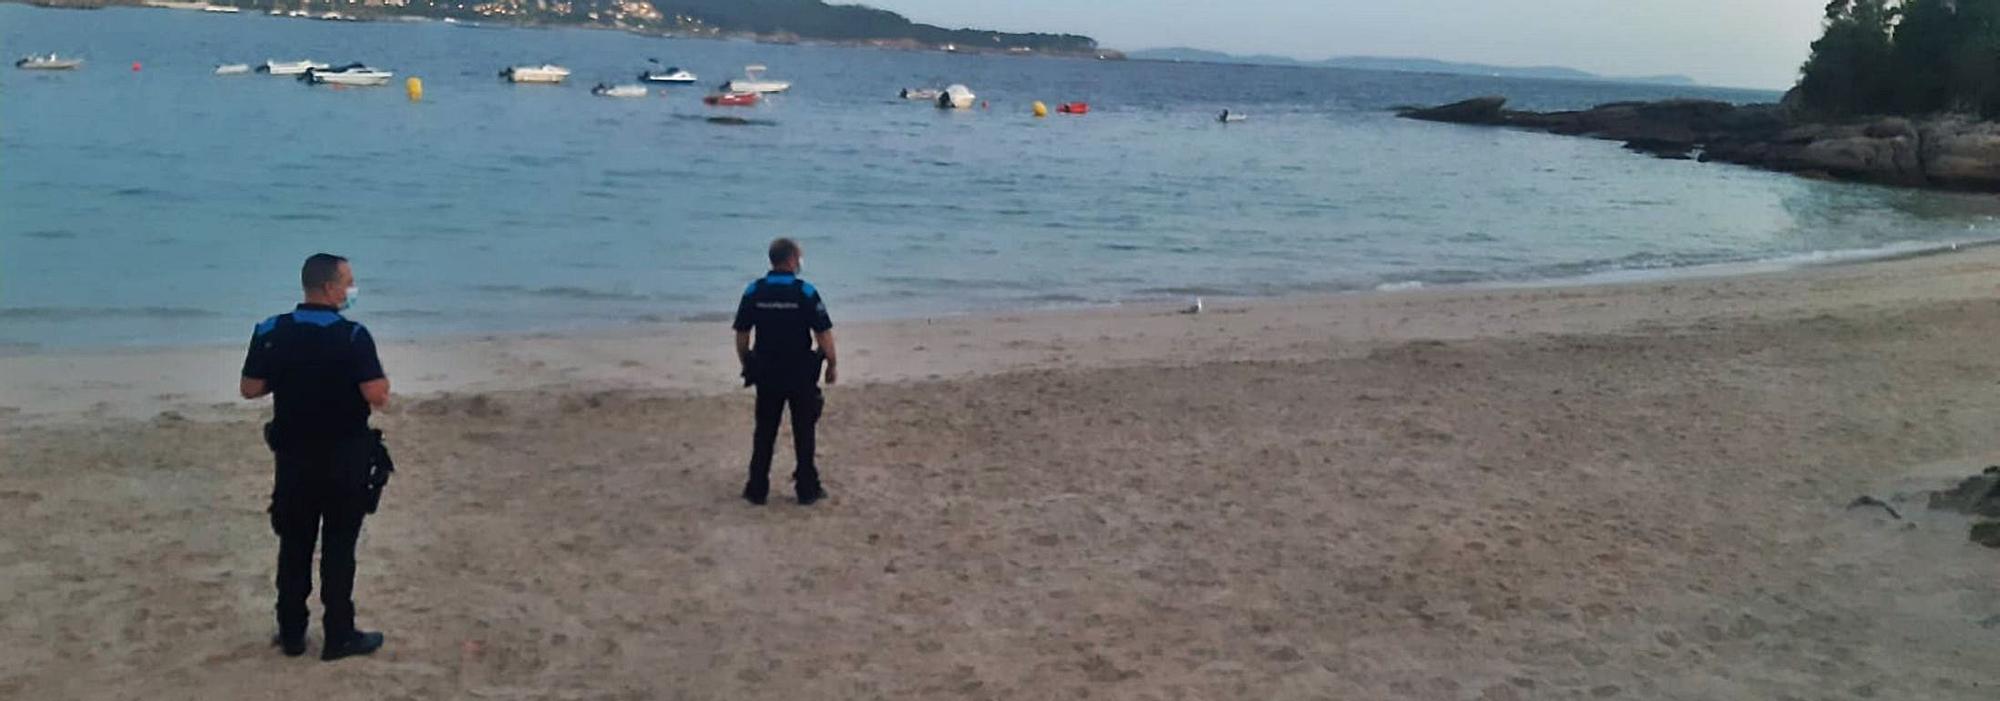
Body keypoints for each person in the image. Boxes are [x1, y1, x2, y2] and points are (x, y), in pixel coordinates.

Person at [240, 253, 389, 661]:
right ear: (329, 288)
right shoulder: (354, 336)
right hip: (344, 460)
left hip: (294, 459)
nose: (351, 290)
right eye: (348, 282)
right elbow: (376, 394)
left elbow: (250, 388)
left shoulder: (271, 331)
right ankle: (339, 635)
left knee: (294, 545)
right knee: (339, 549)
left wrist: (291, 376)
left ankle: (291, 633)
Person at [733, 237, 838, 506]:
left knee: (765, 430)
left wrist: (747, 362)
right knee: (804, 431)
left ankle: (757, 489)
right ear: (792, 259)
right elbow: (823, 333)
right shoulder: (805, 292)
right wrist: (831, 364)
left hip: (767, 371)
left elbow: (742, 333)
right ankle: (807, 489)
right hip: (799, 371)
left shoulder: (754, 291)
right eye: (799, 257)